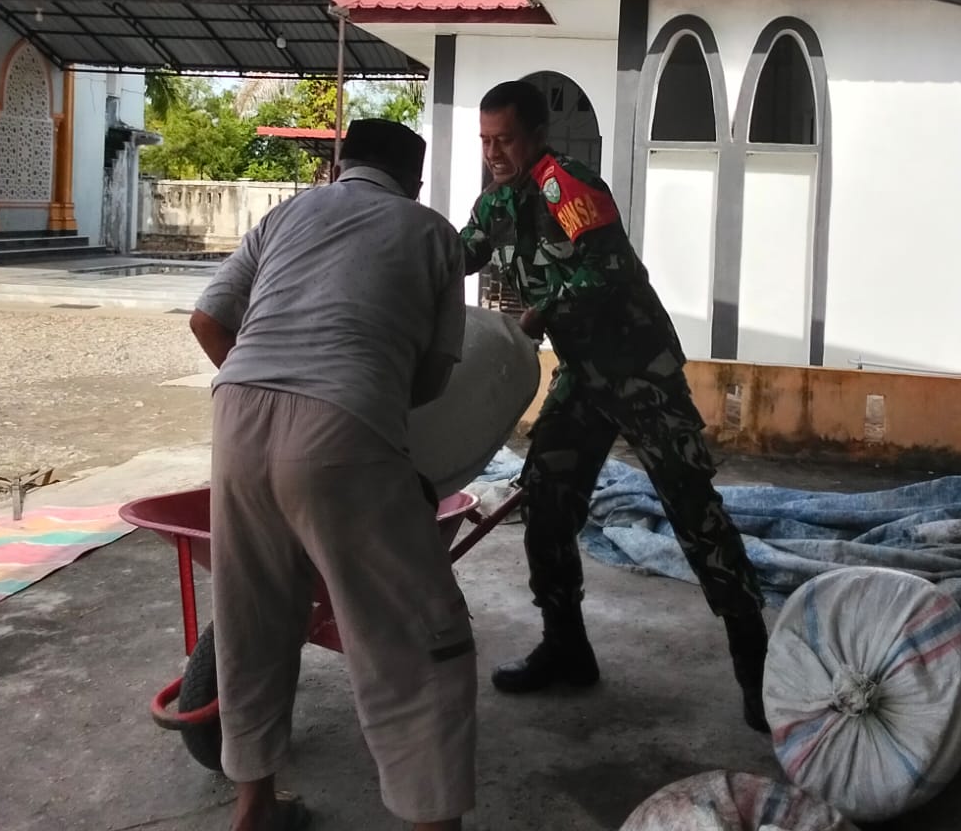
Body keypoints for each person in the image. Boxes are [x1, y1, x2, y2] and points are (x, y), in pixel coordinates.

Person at [190, 119, 474, 831]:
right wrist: (353, 404)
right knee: (415, 637)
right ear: (413, 181)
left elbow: (207, 321)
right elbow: (433, 378)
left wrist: (273, 388)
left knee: (251, 622)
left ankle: (254, 809)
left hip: (236, 418)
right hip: (343, 426)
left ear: (339, 166)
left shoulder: (286, 214)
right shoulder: (432, 232)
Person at [461, 80, 771, 732]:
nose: (493, 152)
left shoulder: (565, 185)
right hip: (583, 376)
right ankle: (567, 647)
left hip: (639, 372)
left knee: (693, 510)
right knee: (545, 500)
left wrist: (543, 311)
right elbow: (461, 253)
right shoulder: (494, 205)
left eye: (504, 140)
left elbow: (610, 270)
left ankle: (758, 669)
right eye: (485, 140)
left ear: (536, 135)